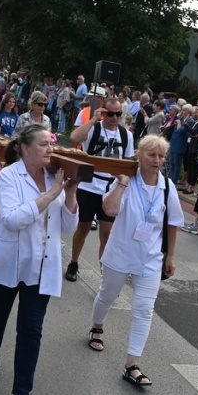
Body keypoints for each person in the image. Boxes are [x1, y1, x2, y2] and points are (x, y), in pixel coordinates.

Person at [0, 123, 79, 395]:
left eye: (52, 144)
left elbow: (69, 228)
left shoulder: (56, 177)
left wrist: (70, 194)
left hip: (43, 265)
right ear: (24, 148)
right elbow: (10, 219)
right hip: (11, 259)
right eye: (44, 144)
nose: (51, 149)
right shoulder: (9, 175)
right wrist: (51, 195)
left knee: (31, 329)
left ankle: (22, 394)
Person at [88, 135, 183, 386]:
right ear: (139, 156)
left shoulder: (167, 186)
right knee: (107, 296)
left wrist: (170, 255)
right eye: (152, 154)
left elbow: (173, 222)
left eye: (161, 156)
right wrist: (120, 183)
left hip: (150, 259)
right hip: (120, 252)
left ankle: (132, 364)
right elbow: (109, 210)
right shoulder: (127, 182)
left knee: (144, 310)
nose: (157, 160)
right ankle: (97, 327)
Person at [65, 97, 136, 281]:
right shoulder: (94, 128)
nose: (114, 117)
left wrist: (123, 184)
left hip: (111, 189)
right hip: (89, 186)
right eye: (110, 113)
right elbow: (74, 138)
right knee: (83, 228)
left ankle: (105, 275)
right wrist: (92, 120)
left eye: (118, 114)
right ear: (103, 113)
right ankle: (74, 262)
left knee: (107, 234)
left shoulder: (125, 134)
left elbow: (127, 162)